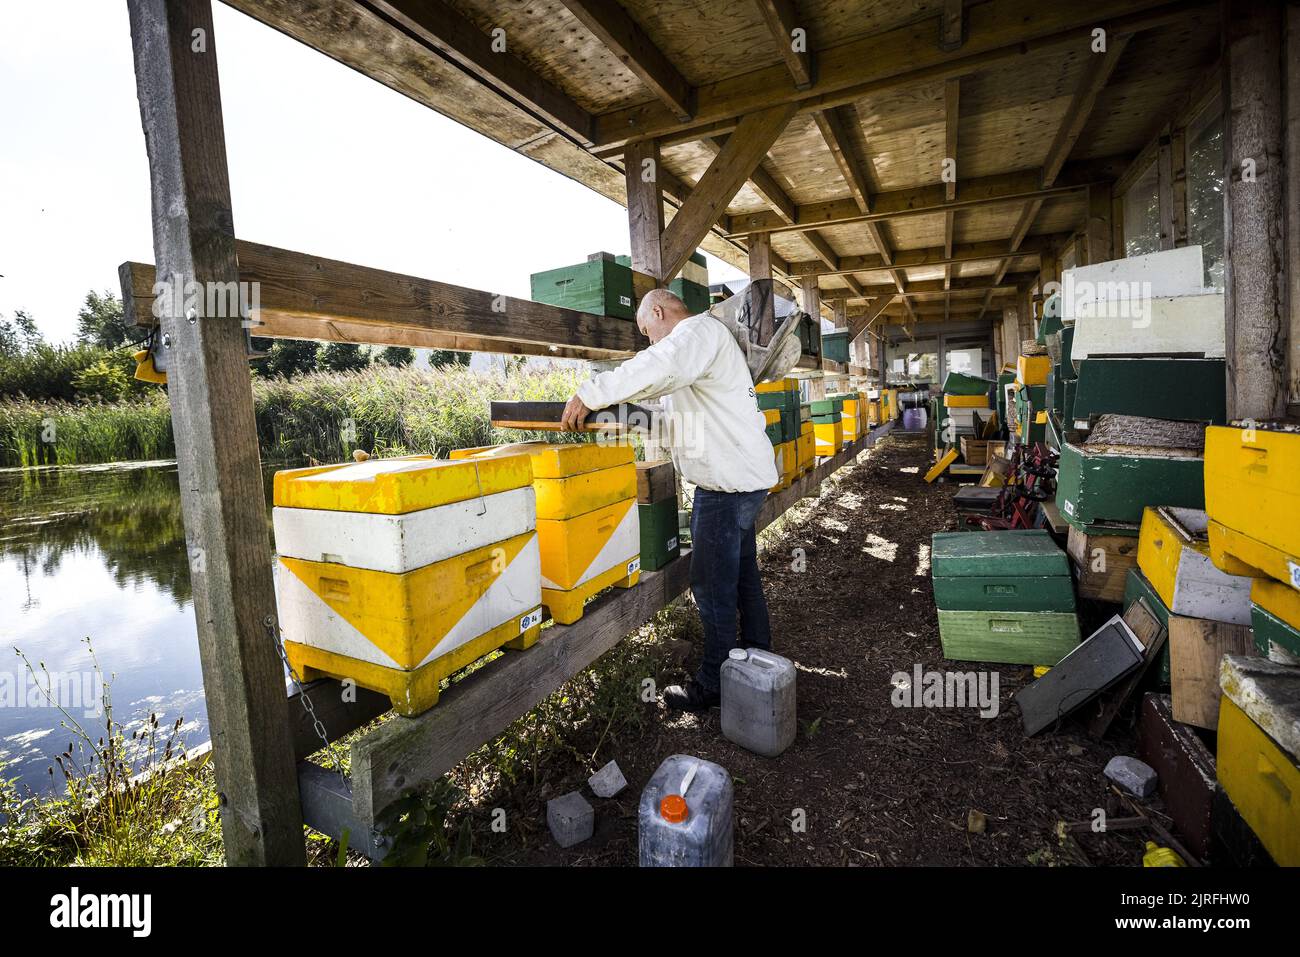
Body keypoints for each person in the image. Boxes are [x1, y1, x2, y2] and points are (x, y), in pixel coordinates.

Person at [560, 288, 779, 712]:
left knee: (713, 588)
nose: (650, 341)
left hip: (725, 492)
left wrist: (592, 393)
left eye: (647, 331)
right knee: (744, 577)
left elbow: (659, 364)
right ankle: (758, 658)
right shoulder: (706, 346)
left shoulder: (696, 332)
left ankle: (713, 684)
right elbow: (680, 415)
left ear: (658, 312)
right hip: (745, 483)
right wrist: (631, 420)